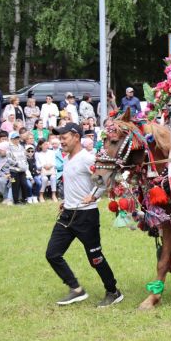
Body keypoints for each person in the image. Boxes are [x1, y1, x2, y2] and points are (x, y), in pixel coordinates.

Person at [45, 122, 123, 307]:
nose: (61, 141)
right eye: (60, 138)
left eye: (64, 138)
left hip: (86, 217)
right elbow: (76, 183)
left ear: (76, 137)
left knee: (95, 258)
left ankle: (113, 291)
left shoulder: (87, 158)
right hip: (67, 215)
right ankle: (76, 289)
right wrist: (67, 200)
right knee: (52, 254)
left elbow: (106, 177)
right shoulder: (67, 159)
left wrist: (94, 195)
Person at [7, 132, 33, 204]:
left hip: (22, 170)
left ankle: (24, 199)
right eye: (15, 138)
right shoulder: (9, 147)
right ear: (11, 139)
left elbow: (24, 157)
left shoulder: (21, 147)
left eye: (18, 138)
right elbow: (9, 160)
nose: (17, 140)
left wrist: (24, 165)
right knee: (15, 185)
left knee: (24, 184)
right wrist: (17, 164)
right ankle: (16, 201)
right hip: (13, 171)